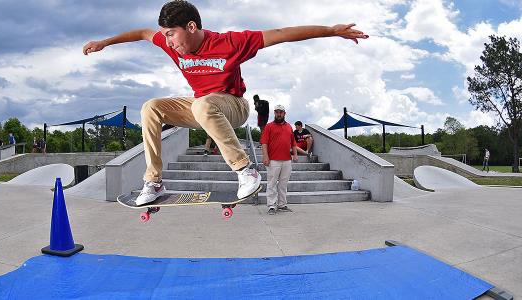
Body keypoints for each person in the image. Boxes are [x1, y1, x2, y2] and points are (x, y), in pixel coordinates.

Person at [83, 0, 368, 205]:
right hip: (201, 108)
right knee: (151, 107)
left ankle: (246, 171)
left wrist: (331, 30)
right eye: (166, 35)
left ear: (191, 27)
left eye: (172, 34)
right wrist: (105, 42)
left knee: (203, 104)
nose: (168, 42)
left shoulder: (232, 42)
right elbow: (142, 33)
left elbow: (282, 34)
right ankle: (154, 182)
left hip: (234, 106)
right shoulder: (168, 43)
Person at [260, 105, 298, 215]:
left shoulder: (289, 127)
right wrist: (265, 156)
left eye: (281, 112)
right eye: (277, 112)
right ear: (274, 113)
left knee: (283, 184)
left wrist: (295, 155)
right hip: (273, 160)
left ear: (284, 113)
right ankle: (271, 205)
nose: (279, 114)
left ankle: (282, 205)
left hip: (287, 160)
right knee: (271, 183)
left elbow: (293, 143)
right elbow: (264, 143)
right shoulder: (269, 126)